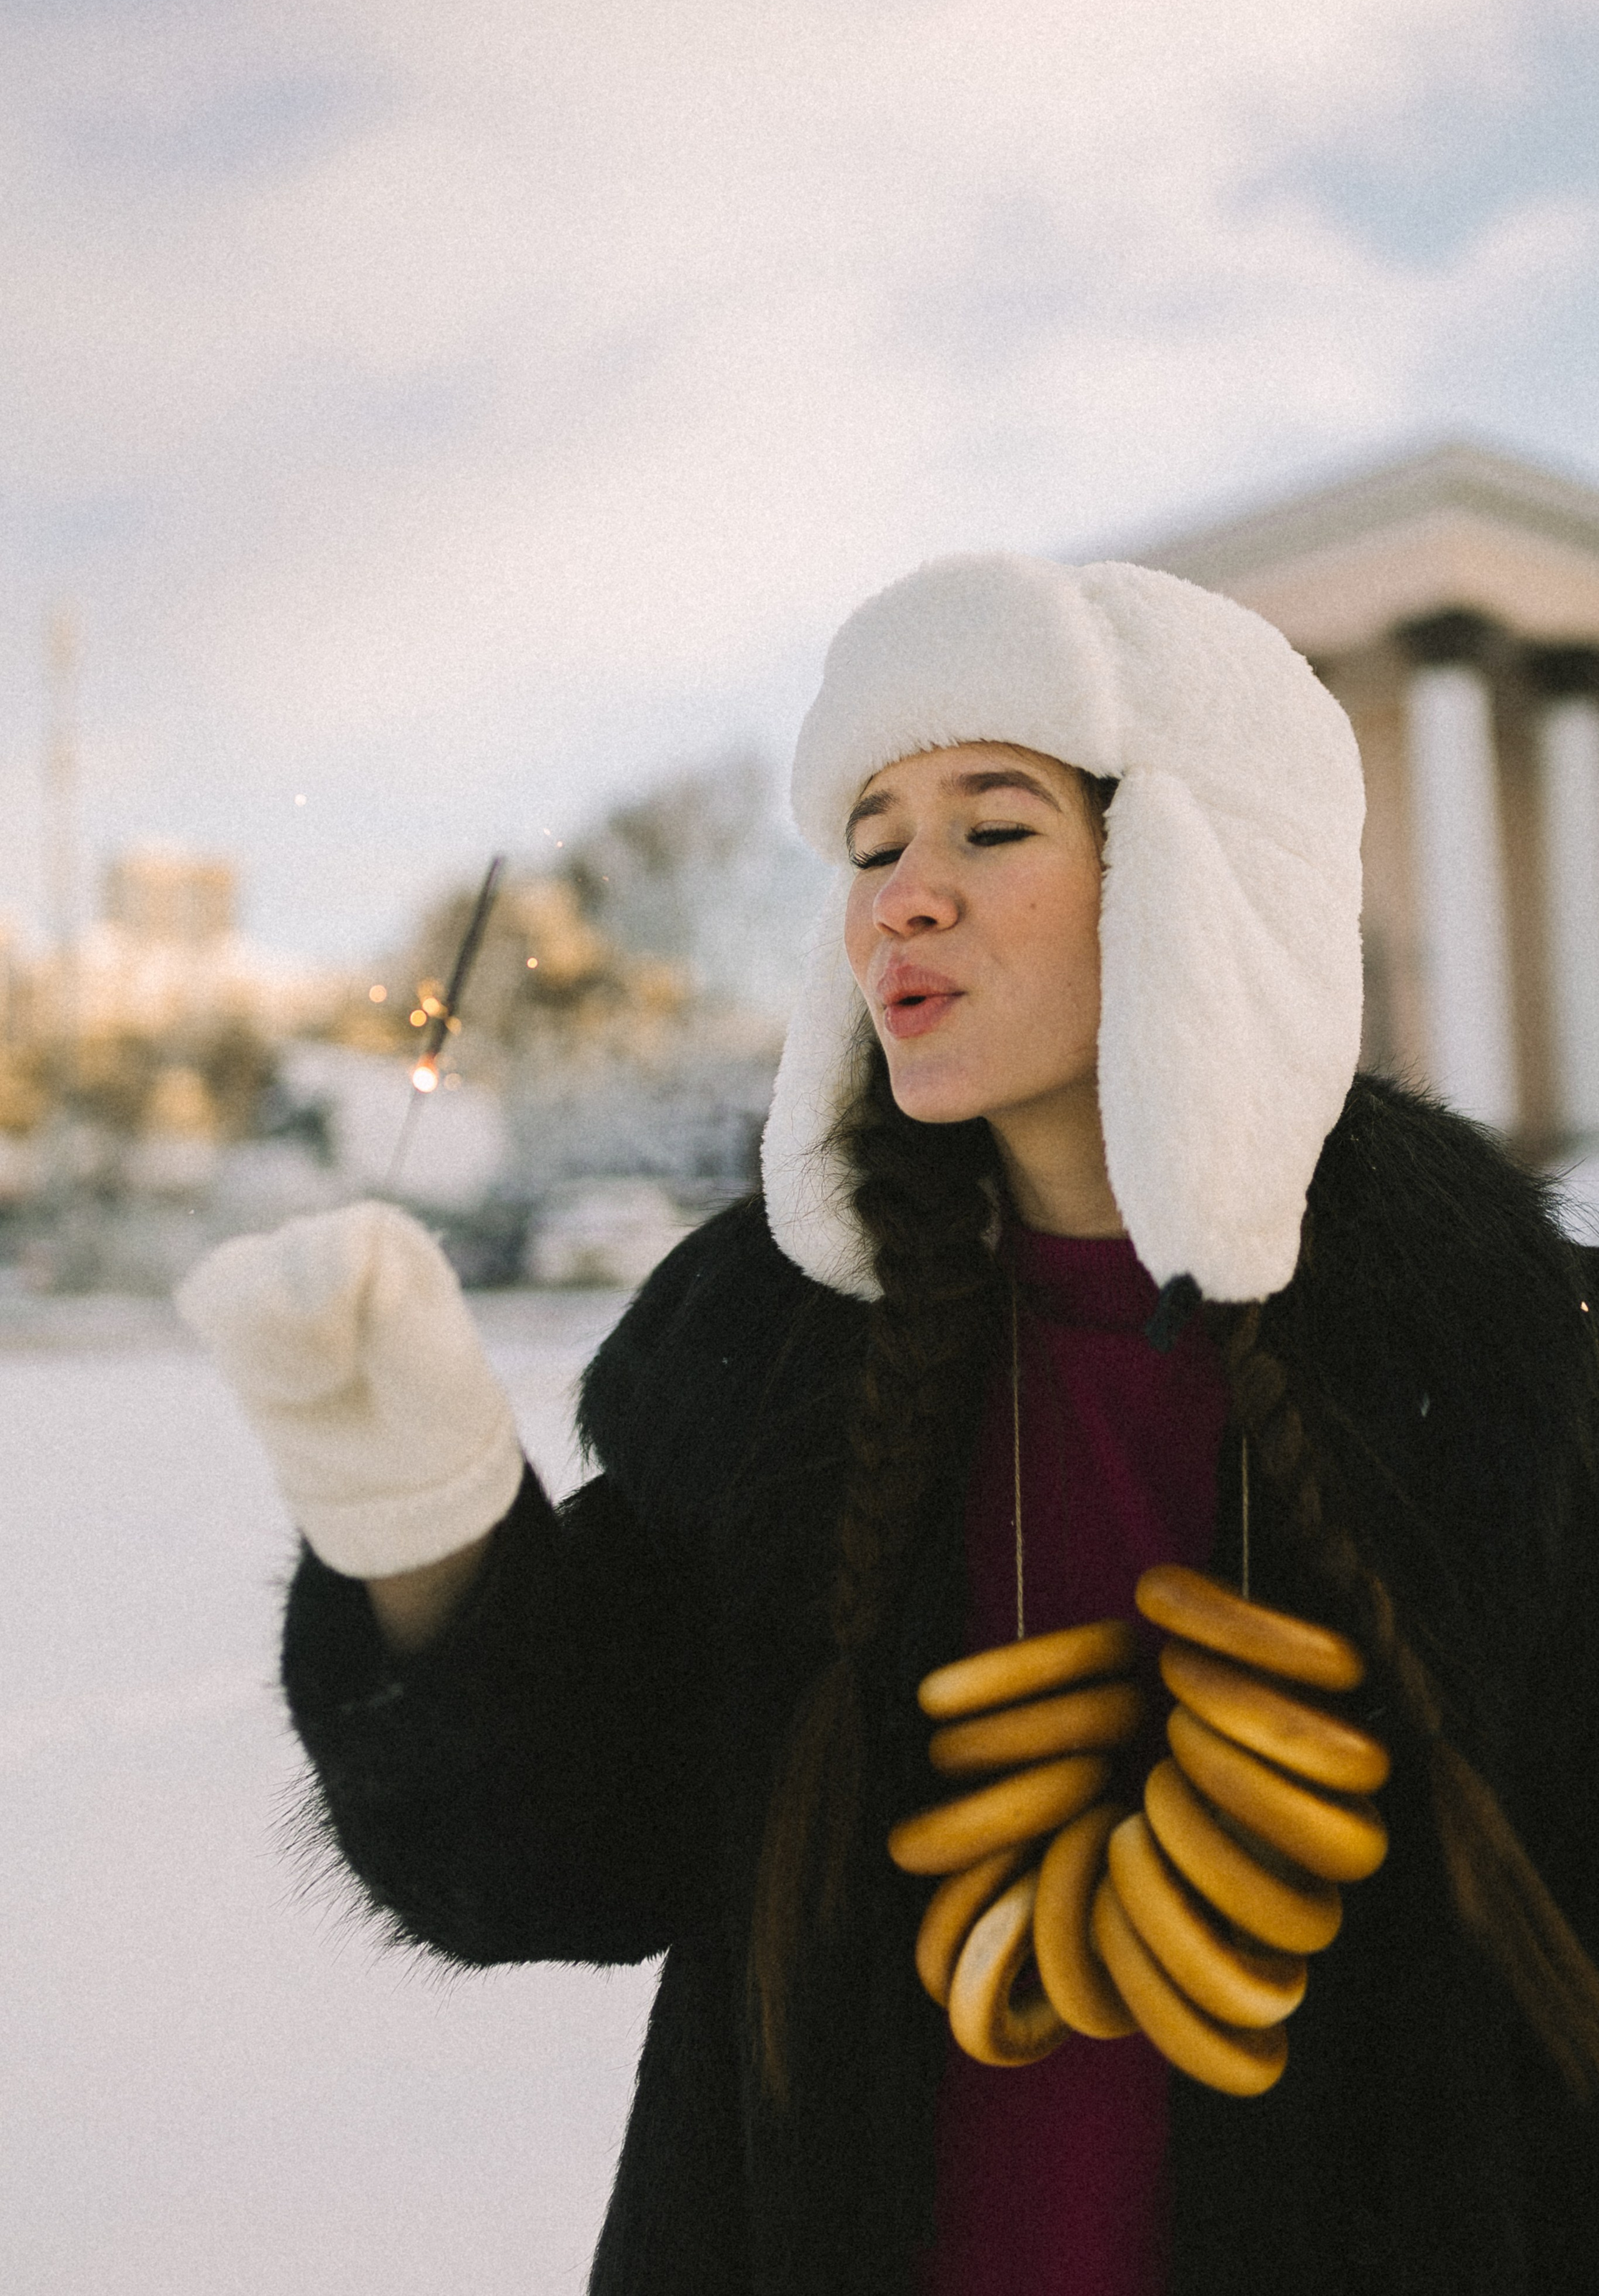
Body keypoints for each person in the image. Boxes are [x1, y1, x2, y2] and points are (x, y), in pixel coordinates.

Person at [180, 556, 1599, 2296]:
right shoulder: (773, 1358)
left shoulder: (1525, 1369)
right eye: (868, 845)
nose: (900, 904)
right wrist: (419, 1523)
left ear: (1203, 871)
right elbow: (557, 1855)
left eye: (990, 830)